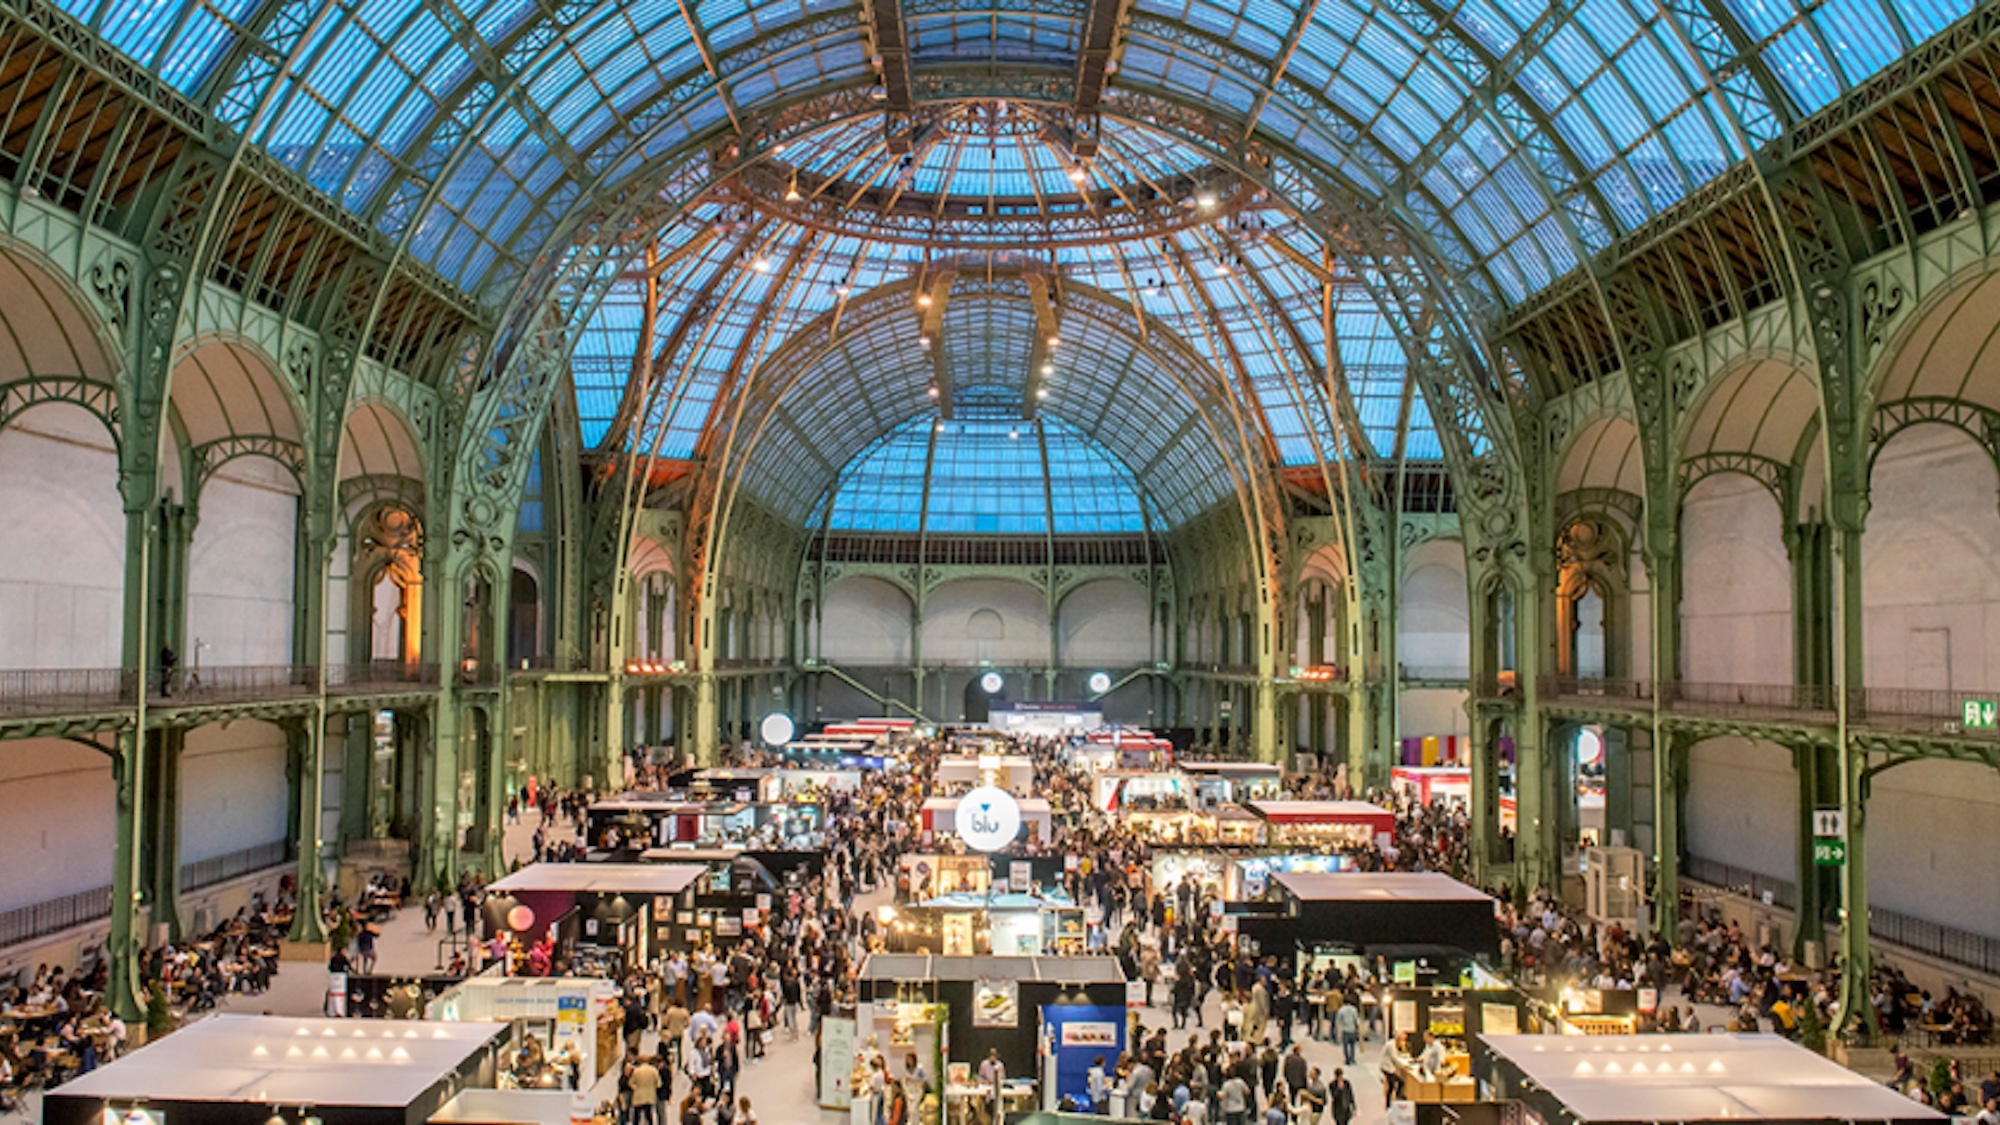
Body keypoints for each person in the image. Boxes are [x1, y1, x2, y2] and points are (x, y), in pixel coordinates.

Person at [628, 1054, 662, 1125]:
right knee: (648, 1115)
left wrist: (635, 1088)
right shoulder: (654, 1071)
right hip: (650, 1096)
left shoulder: (637, 1071)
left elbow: (630, 1083)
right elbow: (659, 1084)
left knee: (637, 1116)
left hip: (639, 1096)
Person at [978, 1048, 1006, 1124]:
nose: (993, 1057)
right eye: (991, 1056)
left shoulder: (1000, 1065)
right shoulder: (984, 1064)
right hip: (986, 1088)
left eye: (994, 1056)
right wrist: (986, 1082)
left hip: (996, 1087)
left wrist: (996, 1082)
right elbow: (980, 1077)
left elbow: (1003, 1078)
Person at [1334, 998, 1360, 1065]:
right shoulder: (1354, 1009)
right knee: (1352, 1046)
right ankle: (1352, 1058)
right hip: (1353, 1030)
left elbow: (1338, 1021)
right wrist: (1358, 1029)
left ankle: (1347, 1059)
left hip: (1345, 1030)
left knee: (1345, 1046)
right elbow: (1356, 1020)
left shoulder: (1341, 1010)